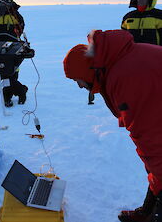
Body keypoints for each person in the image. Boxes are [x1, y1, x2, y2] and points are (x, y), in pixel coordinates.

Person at [63, 29, 162, 222]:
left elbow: (150, 138)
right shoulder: (117, 63)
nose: (80, 86)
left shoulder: (123, 78)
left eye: (77, 80)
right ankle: (148, 212)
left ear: (87, 72)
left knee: (157, 164)